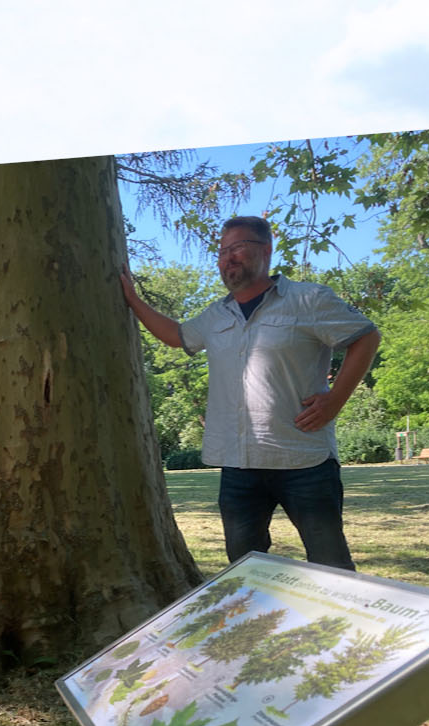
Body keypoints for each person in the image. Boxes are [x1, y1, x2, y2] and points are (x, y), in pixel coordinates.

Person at [119, 216, 379, 571]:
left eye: (238, 247)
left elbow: (366, 336)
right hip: (238, 465)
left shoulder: (308, 300)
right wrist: (132, 300)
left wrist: (334, 400)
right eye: (223, 251)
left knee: (331, 564)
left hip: (303, 461)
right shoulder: (215, 315)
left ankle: (343, 625)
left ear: (266, 249)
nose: (229, 258)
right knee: (245, 569)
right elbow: (177, 336)